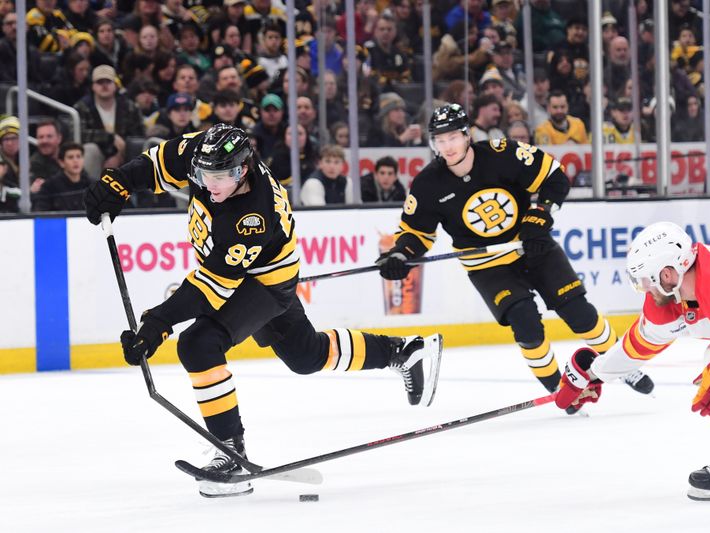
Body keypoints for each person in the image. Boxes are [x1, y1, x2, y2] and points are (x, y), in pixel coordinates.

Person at [82, 123, 443, 498]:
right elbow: (158, 165)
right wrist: (118, 183)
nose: (209, 185)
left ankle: (231, 451)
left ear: (242, 170)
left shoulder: (252, 215)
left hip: (265, 283)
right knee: (306, 355)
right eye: (205, 175)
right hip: (251, 274)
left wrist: (158, 322)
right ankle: (403, 351)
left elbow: (212, 286)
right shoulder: (203, 153)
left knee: (198, 344)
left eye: (221, 177)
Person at [376, 104, 651, 409]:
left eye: (453, 137)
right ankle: (561, 390)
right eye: (440, 140)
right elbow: (417, 232)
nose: (447, 146)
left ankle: (622, 365)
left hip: (533, 246)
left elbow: (555, 178)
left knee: (579, 314)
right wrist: (401, 254)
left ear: (468, 135)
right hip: (487, 265)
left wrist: (540, 215)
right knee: (526, 325)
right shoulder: (428, 184)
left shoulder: (503, 153)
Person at [556, 221, 710, 500]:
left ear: (669, 273)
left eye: (647, 280)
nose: (645, 289)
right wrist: (592, 373)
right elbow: (640, 344)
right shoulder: (676, 293)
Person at [33, 142, 91, 212]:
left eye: (79, 156)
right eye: (70, 157)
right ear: (61, 163)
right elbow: (41, 213)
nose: (76, 161)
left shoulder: (92, 185)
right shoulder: (49, 186)